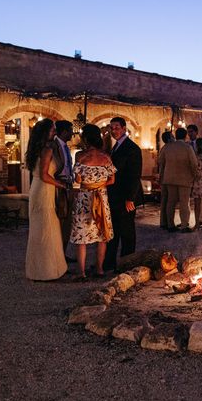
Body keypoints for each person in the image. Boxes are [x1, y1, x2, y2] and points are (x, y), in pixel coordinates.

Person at [69, 124, 116, 280]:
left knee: (82, 235)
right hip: (101, 197)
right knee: (102, 233)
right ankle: (100, 269)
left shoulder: (80, 156)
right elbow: (112, 179)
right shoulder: (106, 157)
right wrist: (99, 184)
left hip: (85, 198)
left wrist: (89, 183)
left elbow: (78, 179)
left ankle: (81, 272)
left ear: (86, 139)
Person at [24, 118, 68, 281]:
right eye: (52, 130)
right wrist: (61, 185)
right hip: (44, 190)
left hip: (36, 188)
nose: (55, 132)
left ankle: (38, 269)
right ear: (45, 132)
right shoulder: (47, 150)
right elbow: (44, 175)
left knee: (40, 230)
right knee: (47, 230)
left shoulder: (35, 149)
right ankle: (47, 271)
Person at [104, 117, 143, 271]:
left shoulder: (132, 148)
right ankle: (111, 263)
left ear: (124, 128)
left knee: (127, 231)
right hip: (115, 196)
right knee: (114, 230)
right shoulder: (115, 147)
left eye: (117, 128)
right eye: (112, 128)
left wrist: (130, 198)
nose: (114, 131)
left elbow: (135, 175)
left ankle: (127, 263)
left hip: (125, 197)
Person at [157, 127, 198, 233]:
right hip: (185, 178)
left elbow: (161, 162)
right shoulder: (187, 148)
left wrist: (162, 176)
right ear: (185, 136)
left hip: (169, 178)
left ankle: (170, 224)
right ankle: (184, 225)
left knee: (171, 202)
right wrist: (194, 175)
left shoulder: (167, 147)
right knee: (184, 203)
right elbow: (193, 163)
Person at [49, 120, 74, 256]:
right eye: (70, 130)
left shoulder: (66, 147)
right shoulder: (53, 146)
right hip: (58, 185)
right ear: (64, 132)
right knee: (60, 219)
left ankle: (63, 254)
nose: (72, 133)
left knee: (67, 222)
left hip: (68, 184)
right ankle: (57, 255)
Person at [158, 131, 174, 229]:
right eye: (172, 136)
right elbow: (162, 164)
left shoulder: (164, 149)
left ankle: (164, 221)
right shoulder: (167, 149)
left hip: (164, 177)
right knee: (168, 200)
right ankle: (166, 222)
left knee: (165, 200)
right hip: (166, 177)